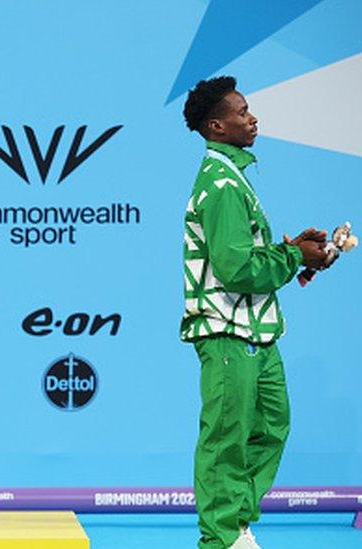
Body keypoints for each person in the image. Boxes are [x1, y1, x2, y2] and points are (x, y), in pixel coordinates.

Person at [180, 76, 328, 549]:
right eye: (242, 112)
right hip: (225, 331)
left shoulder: (237, 177)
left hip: (257, 332)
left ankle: (238, 524)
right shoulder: (222, 184)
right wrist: (292, 259)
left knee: (270, 426)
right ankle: (220, 538)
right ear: (218, 126)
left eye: (250, 110)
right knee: (226, 438)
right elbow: (236, 267)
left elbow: (246, 256)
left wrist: (293, 254)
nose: (253, 118)